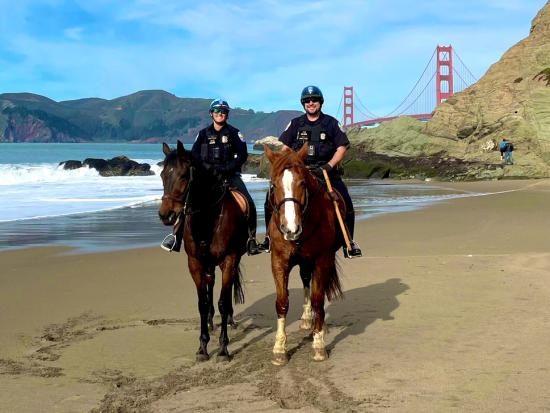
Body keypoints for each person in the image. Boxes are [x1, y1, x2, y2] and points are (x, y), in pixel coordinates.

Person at [258, 85, 362, 258]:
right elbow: (285, 148)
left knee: (346, 201)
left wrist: (329, 166)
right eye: (307, 101)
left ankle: (348, 243)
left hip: (326, 172)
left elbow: (342, 147)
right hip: (300, 171)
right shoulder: (296, 123)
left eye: (314, 100)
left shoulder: (331, 123)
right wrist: (279, 163)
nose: (311, 103)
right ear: (303, 104)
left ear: (320, 102)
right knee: (270, 198)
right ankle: (268, 239)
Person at [161, 99, 260, 255]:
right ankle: (176, 236)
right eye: (216, 111)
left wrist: (225, 168)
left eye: (223, 111)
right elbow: (193, 155)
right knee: (188, 202)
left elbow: (242, 156)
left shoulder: (235, 133)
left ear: (227, 114)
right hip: (206, 178)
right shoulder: (203, 134)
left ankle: (251, 239)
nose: (220, 114)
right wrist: (207, 168)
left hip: (229, 176)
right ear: (211, 114)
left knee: (248, 201)